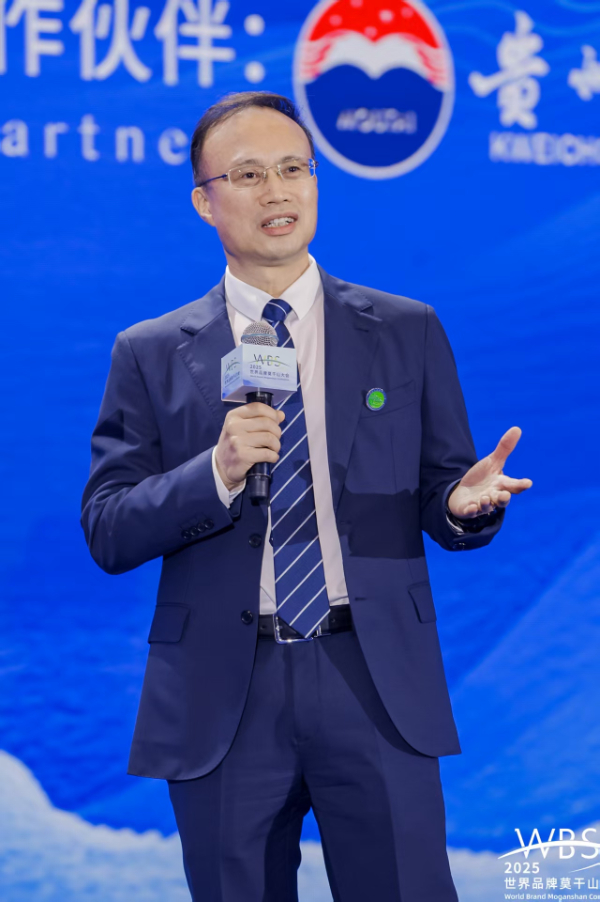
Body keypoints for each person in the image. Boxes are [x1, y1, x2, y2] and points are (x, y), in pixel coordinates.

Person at [81, 91, 532, 902]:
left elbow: (443, 488)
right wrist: (216, 472)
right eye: (248, 174)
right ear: (205, 201)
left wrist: (462, 506)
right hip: (225, 691)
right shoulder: (150, 353)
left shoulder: (405, 329)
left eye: (293, 168)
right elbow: (108, 528)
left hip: (373, 675)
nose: (277, 191)